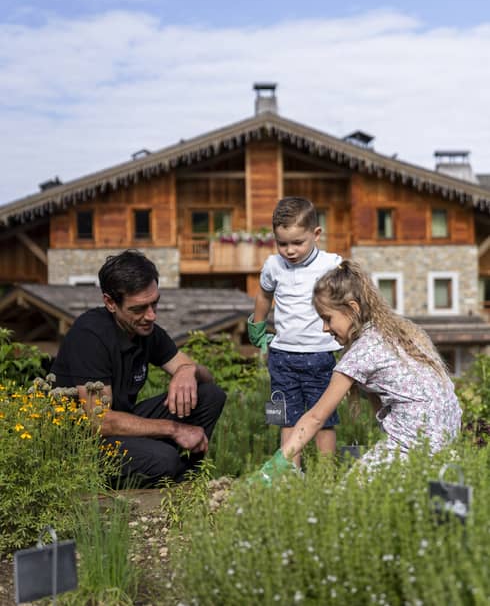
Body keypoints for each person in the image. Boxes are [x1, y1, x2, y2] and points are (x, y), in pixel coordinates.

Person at [257, 259, 463, 482]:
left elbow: (316, 417)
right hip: (446, 439)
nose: (325, 328)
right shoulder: (401, 332)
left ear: (353, 309)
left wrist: (277, 463)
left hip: (413, 444)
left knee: (347, 497)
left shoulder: (362, 352)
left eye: (327, 318)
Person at [51, 249, 226, 486]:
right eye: (139, 309)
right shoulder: (90, 335)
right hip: (80, 444)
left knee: (210, 395)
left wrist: (187, 370)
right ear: (110, 303)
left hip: (119, 428)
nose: (151, 316)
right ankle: (167, 476)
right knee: (163, 459)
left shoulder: (145, 329)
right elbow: (98, 421)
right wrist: (174, 429)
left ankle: (189, 480)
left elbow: (208, 378)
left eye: (155, 304)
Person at [248, 197, 342, 466]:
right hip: (282, 356)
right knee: (285, 418)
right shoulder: (273, 266)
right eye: (282, 243)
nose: (289, 250)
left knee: (323, 419)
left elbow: (350, 296)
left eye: (297, 243)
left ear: (316, 234)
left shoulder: (331, 265)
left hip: (321, 354)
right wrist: (257, 323)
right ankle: (290, 475)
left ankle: (326, 476)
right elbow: (264, 295)